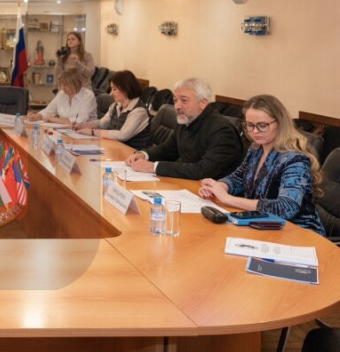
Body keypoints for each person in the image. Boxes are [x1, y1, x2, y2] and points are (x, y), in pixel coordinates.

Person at [199, 95, 324, 235]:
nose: (255, 131)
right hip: (262, 224)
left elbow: (286, 207)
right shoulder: (256, 149)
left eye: (263, 125)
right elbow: (238, 177)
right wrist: (219, 186)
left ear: (280, 123)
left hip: (299, 232)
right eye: (250, 125)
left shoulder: (295, 159)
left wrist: (228, 199)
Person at [125, 77, 244, 179]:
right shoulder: (186, 120)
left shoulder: (222, 131)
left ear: (203, 103)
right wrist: (144, 155)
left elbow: (203, 170)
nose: (177, 106)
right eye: (175, 100)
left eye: (184, 100)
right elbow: (169, 149)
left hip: (216, 193)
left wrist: (154, 167)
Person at [73, 70, 151, 148]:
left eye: (114, 89)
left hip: (133, 153)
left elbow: (122, 135)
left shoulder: (139, 111)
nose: (111, 93)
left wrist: (92, 132)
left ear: (126, 89)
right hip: (114, 148)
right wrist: (84, 125)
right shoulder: (116, 105)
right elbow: (102, 123)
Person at [28, 69, 96, 125]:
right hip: (65, 131)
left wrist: (54, 119)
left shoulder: (88, 96)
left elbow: (79, 120)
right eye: (62, 84)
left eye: (66, 85)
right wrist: (38, 116)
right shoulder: (61, 94)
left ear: (75, 83)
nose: (63, 88)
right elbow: (49, 110)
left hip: (86, 134)